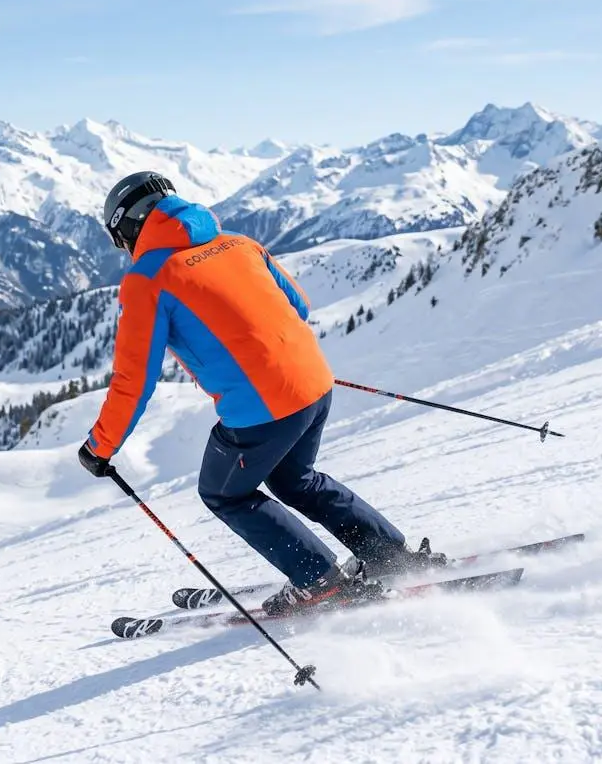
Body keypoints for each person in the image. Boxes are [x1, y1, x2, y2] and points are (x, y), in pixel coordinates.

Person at [77, 171, 446, 614]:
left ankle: (321, 583)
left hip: (264, 409)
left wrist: (101, 446)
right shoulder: (240, 244)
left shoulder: (148, 279)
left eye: (120, 240)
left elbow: (134, 379)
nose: (123, 250)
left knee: (225, 492)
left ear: (130, 225)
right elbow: (299, 306)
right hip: (313, 384)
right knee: (297, 480)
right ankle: (389, 556)